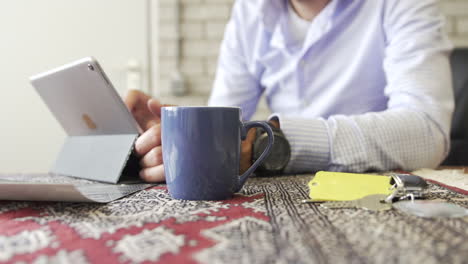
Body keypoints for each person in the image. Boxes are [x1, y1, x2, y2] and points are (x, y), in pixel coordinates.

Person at [125, 0, 454, 182]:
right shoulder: (250, 11)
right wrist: (188, 134)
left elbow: (427, 134)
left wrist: (271, 146)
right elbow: (228, 122)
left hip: (377, 193)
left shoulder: (403, 5)